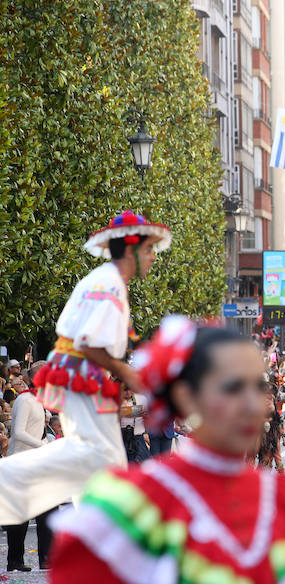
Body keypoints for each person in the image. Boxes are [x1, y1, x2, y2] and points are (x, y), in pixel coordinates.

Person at [49, 316, 285, 582]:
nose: (252, 405)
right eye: (232, 388)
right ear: (186, 396)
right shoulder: (128, 505)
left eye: (258, 387)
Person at [0, 211, 170, 525]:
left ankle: (96, 528)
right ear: (130, 249)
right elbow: (89, 342)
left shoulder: (107, 281)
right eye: (148, 249)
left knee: (100, 461)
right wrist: (128, 373)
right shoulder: (108, 284)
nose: (153, 257)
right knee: (98, 458)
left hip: (82, 377)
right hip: (82, 377)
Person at [4, 361, 54, 572]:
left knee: (47, 508)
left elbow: (35, 432)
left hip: (36, 461)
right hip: (22, 462)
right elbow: (18, 433)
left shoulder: (38, 400)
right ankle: (15, 560)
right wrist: (43, 444)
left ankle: (46, 558)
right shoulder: (25, 399)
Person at [119, 384, 150, 463]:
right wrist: (135, 411)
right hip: (122, 436)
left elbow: (147, 412)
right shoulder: (116, 399)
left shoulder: (141, 398)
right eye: (125, 390)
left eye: (130, 389)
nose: (128, 392)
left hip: (138, 438)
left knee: (143, 464)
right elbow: (119, 412)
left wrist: (128, 411)